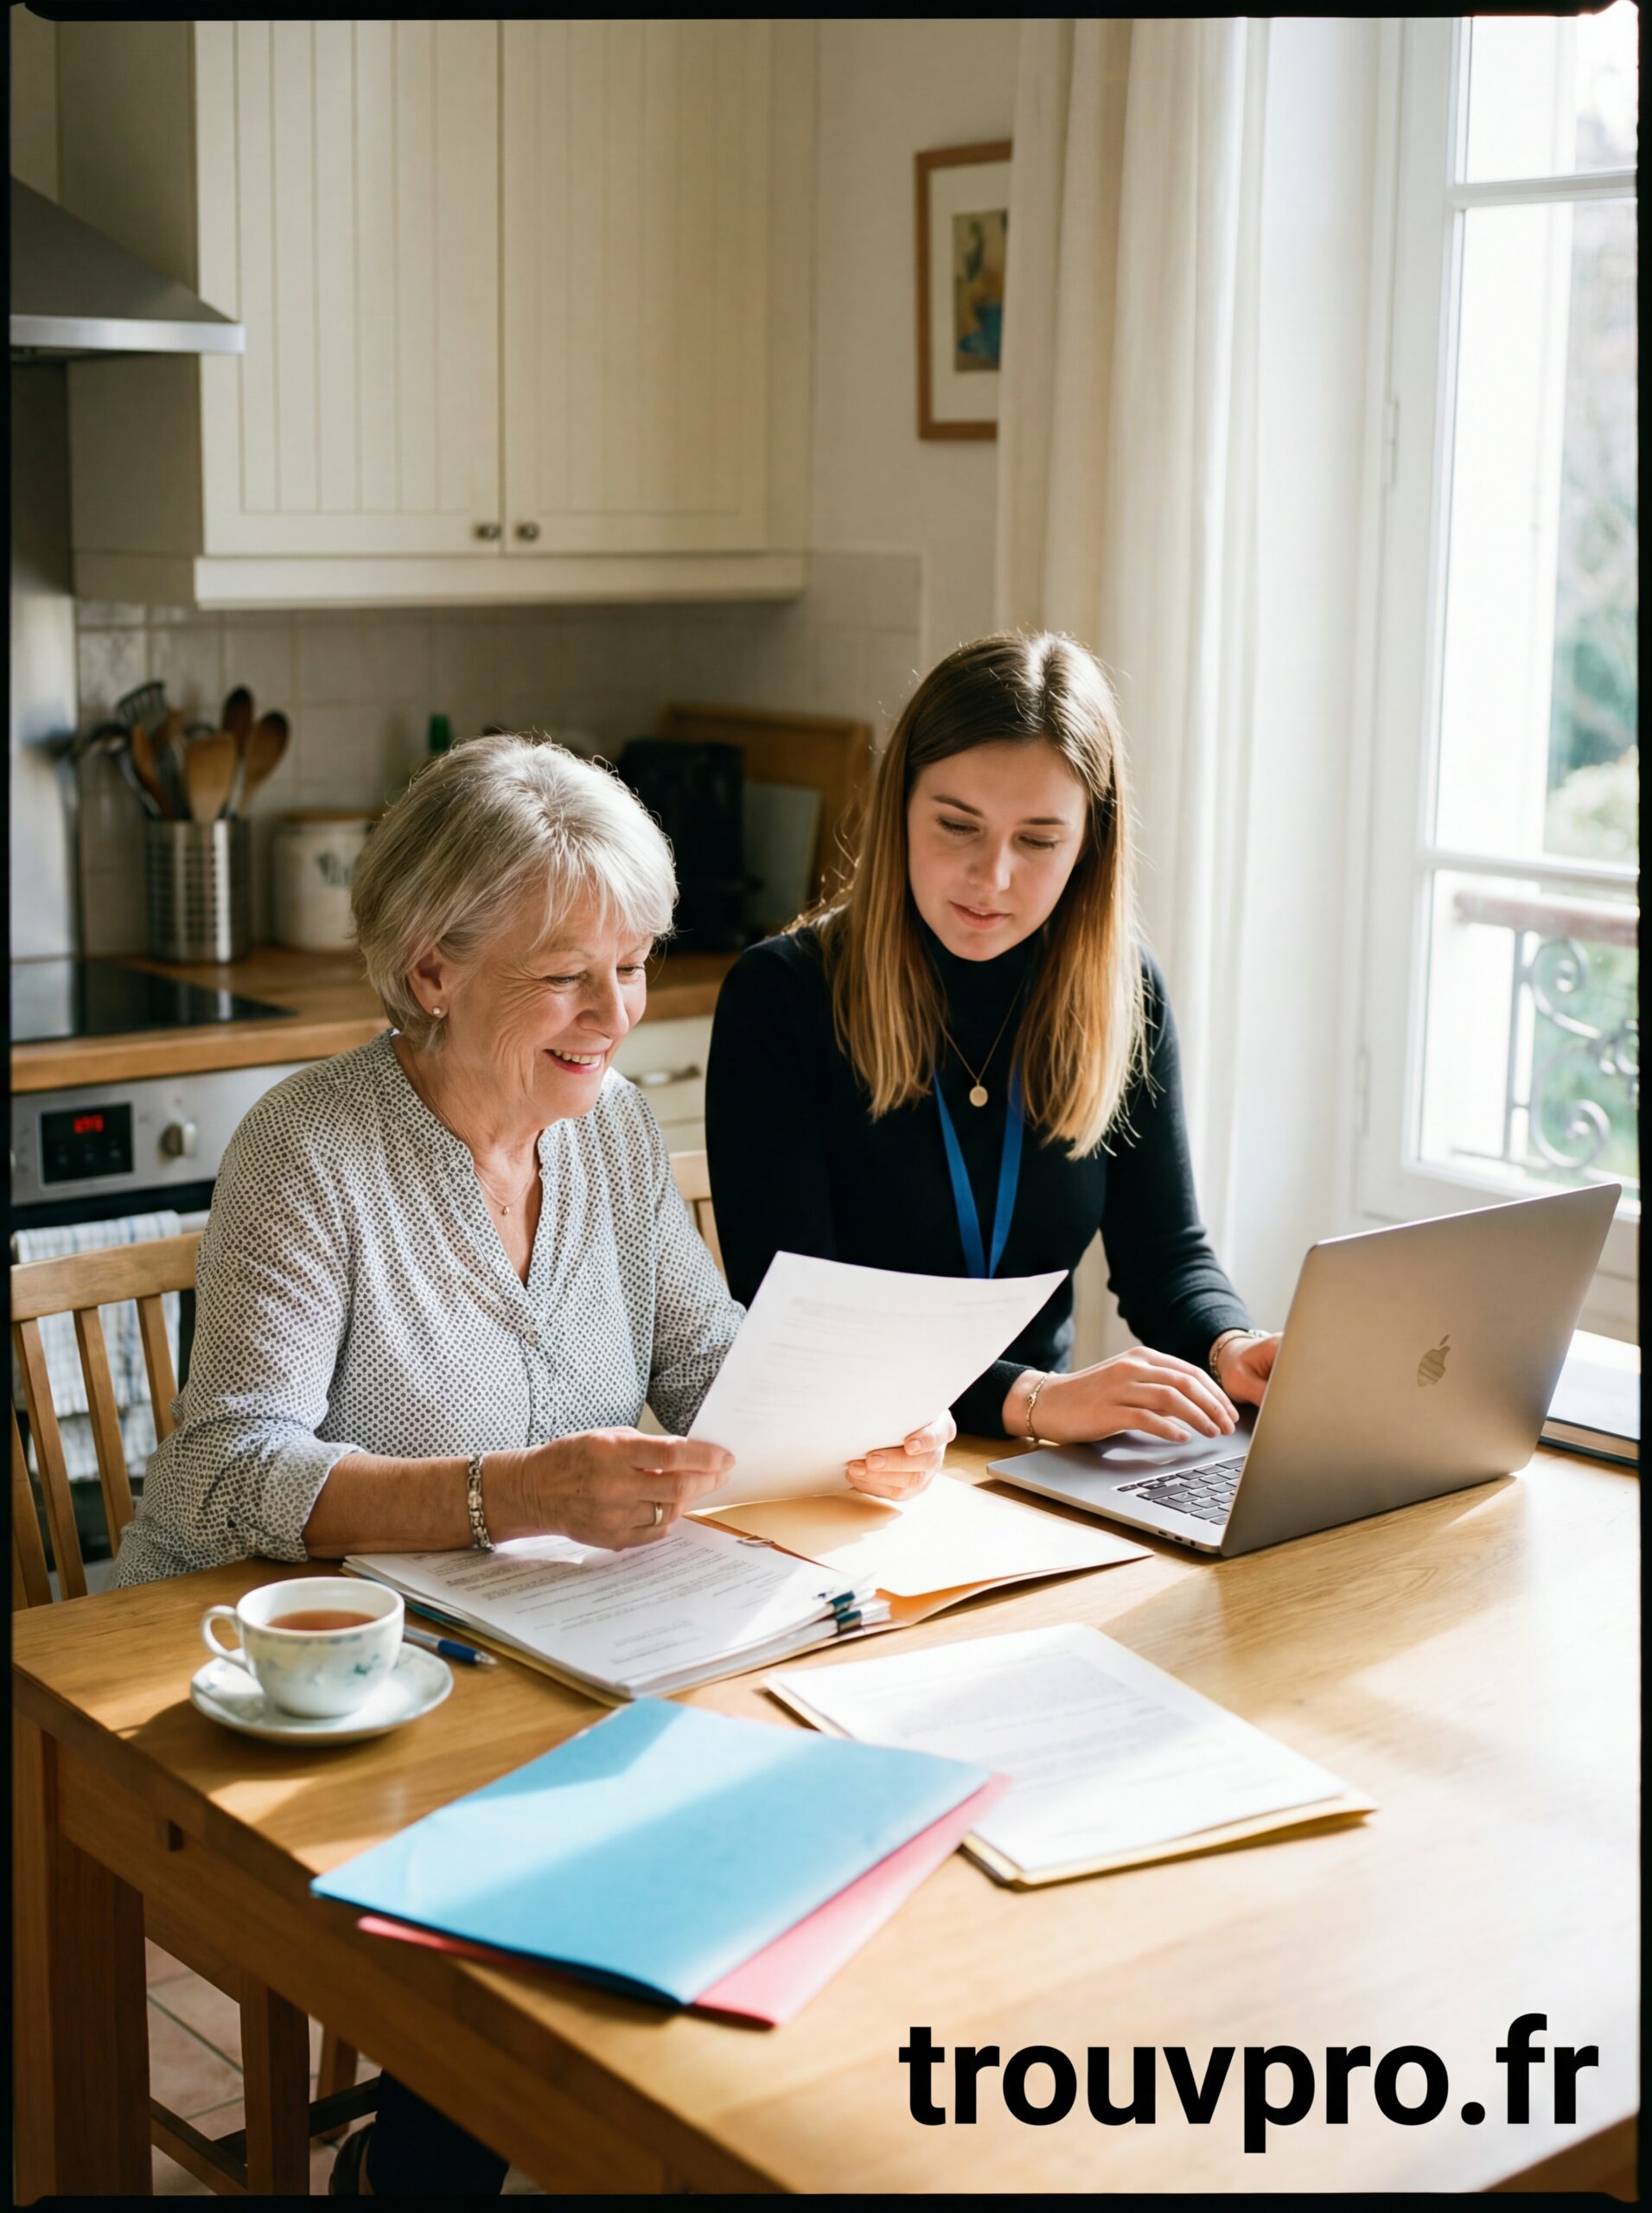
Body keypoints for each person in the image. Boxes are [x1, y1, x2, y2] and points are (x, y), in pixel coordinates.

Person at [112, 733, 952, 2196]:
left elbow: (702, 1357)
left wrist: (858, 1403)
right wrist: (510, 1491)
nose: (617, 1013)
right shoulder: (311, 1152)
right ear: (433, 971)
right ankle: (432, 2163)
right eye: (572, 972)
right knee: (617, 1881)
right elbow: (217, 1472)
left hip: (546, 1663)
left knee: (810, 1819)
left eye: (632, 966)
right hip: (313, 1699)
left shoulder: (611, 1129)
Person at [705, 633, 1280, 1457]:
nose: (992, 877)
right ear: (896, 806)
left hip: (1040, 1462)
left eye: (1039, 841)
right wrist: (1035, 1398)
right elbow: (805, 1322)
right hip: (852, 1460)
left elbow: (1164, 1257)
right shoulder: (782, 997)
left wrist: (1231, 1346)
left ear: (1090, 847)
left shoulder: (1123, 992)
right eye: (956, 825)